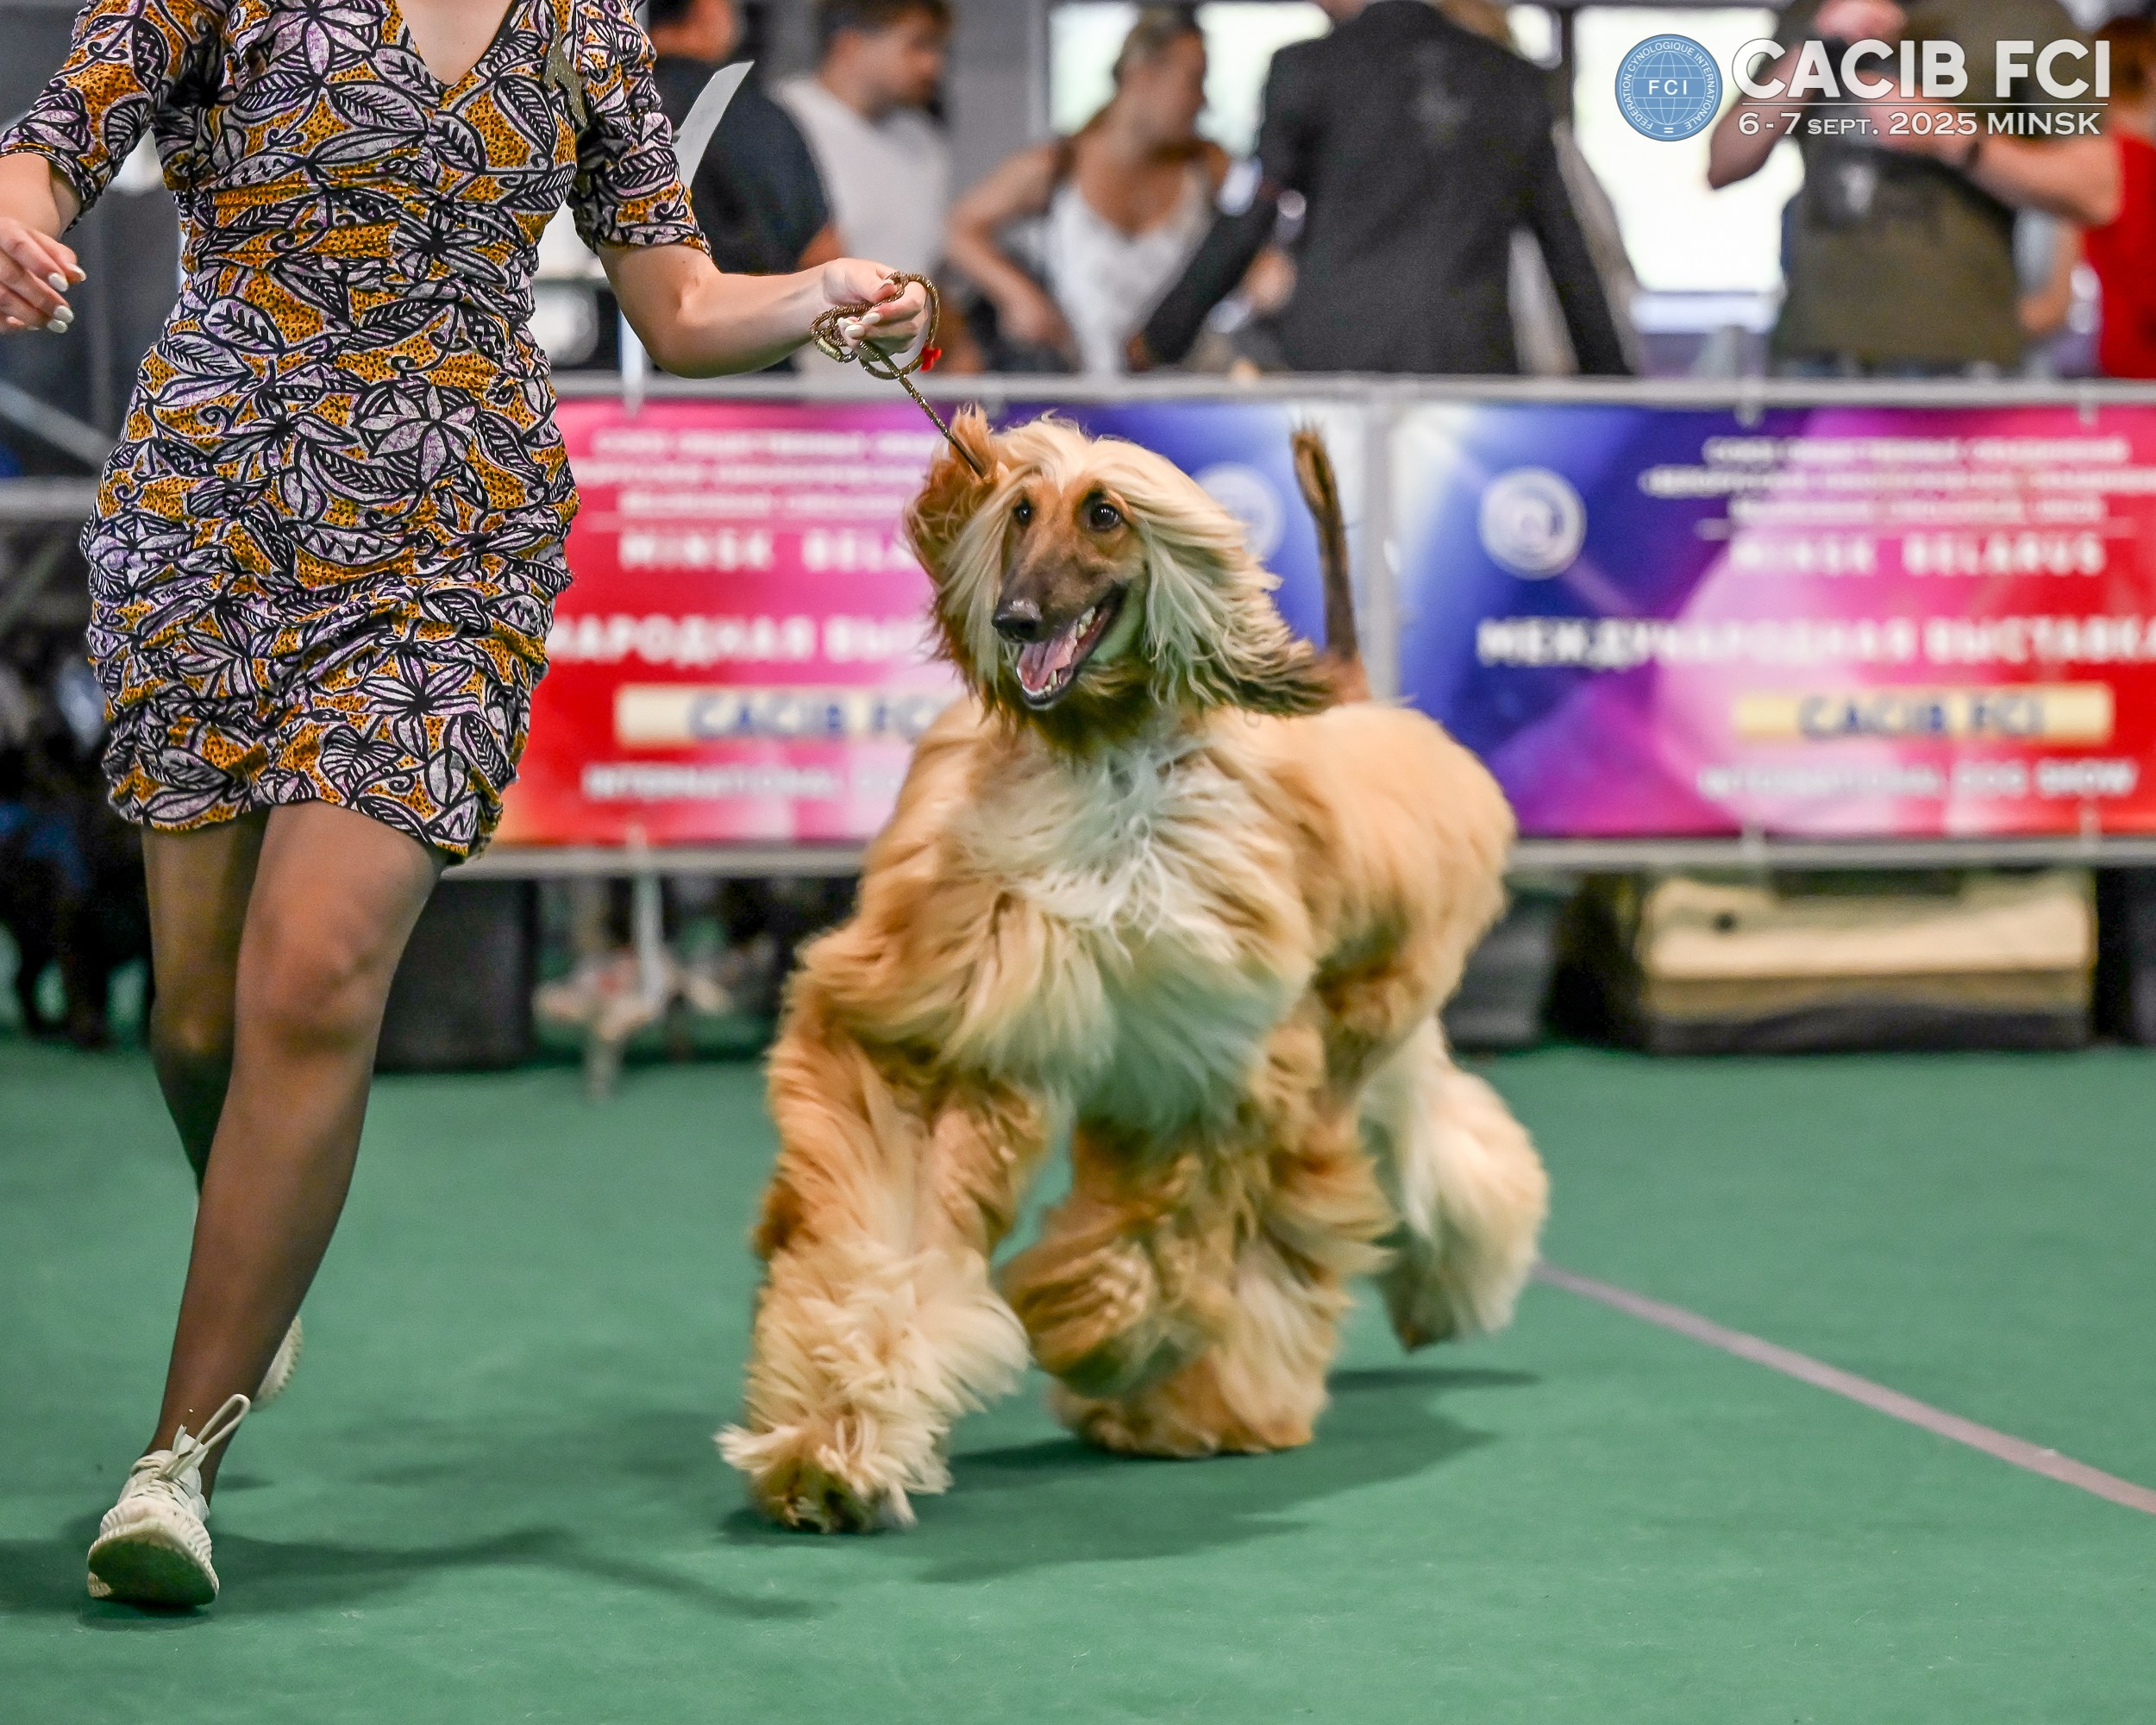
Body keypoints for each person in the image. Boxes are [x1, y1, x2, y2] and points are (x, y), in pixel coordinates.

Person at [0, 0, 927, 1611]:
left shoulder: (583, 26)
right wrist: (16, 225)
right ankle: (260, 1256)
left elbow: (680, 302)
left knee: (314, 976)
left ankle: (175, 1465)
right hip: (211, 516)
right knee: (199, 1026)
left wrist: (820, 297)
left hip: (455, 536)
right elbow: (51, 144)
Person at [1134, 0, 1628, 376]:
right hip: (1469, 368)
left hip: (1335, 370)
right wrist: (1612, 380)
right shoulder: (1512, 81)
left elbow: (1249, 215)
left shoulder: (1307, 70)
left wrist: (1160, 340)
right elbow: (1566, 248)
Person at [1708, 0, 2121, 376]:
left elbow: (2098, 194)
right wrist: (1812, 52)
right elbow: (1722, 162)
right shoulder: (1810, 15)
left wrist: (1949, 135)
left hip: (1963, 358)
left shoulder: (2030, 18)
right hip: (1814, 352)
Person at [946, 6, 1226, 376]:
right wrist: (1018, 294)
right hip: (1082, 389)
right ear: (1142, 75)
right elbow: (958, 228)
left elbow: (1259, 232)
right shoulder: (1058, 166)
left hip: (1185, 393)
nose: (1204, 102)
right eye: (1194, 81)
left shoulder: (1208, 168)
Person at [647, 0, 840, 276]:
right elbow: (821, 254)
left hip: (625, 296)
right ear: (708, 7)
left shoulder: (610, 108)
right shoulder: (758, 116)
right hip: (756, 297)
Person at [777, 0, 953, 282]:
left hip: (905, 309)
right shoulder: (778, 123)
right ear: (849, 45)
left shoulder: (921, 139)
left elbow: (928, 263)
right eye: (917, 45)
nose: (932, 65)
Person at [2021, 16, 2156, 378]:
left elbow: (2054, 307)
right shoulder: (2129, 163)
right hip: (2129, 376)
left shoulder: (2088, 165)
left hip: (2106, 378)